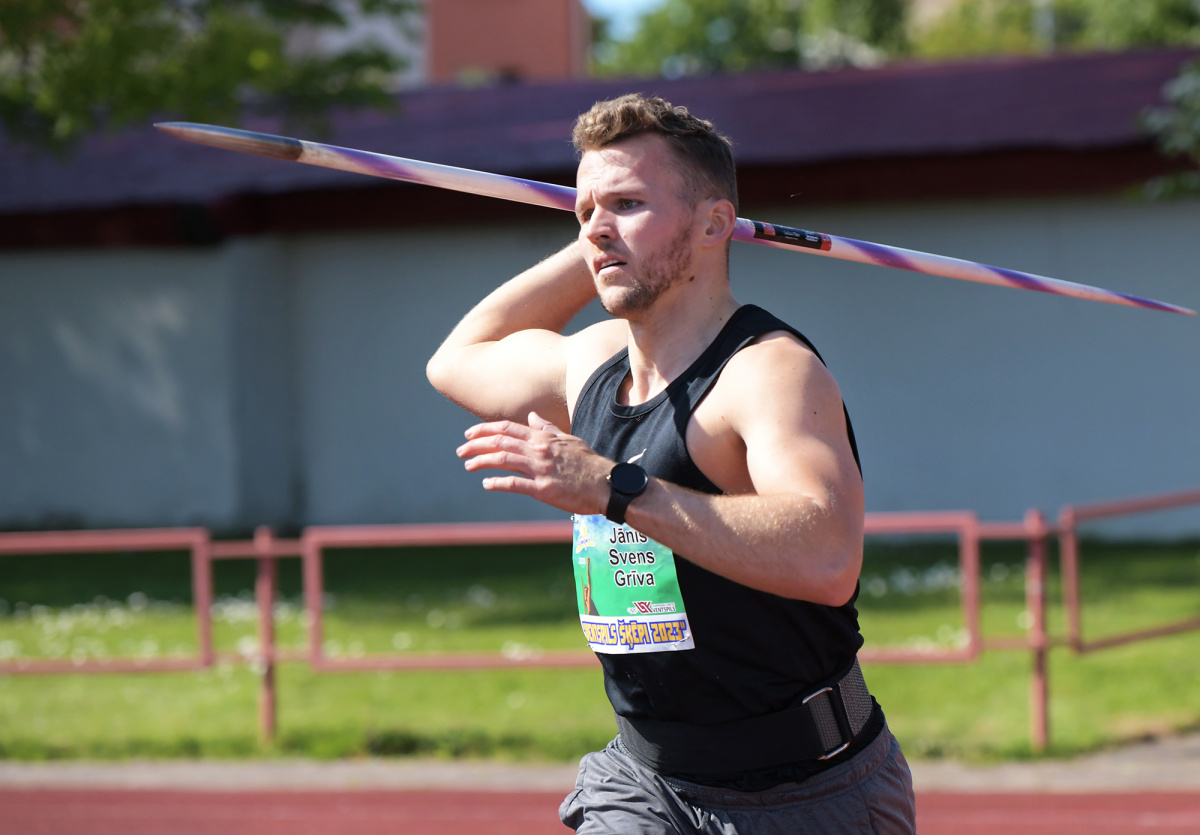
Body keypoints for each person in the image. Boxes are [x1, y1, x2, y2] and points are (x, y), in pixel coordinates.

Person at [426, 94, 916, 834]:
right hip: (645, 780)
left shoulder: (767, 373)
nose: (595, 228)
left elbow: (827, 557)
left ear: (715, 224)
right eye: (584, 210)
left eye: (628, 203)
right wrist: (604, 239)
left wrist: (614, 488)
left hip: (806, 789)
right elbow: (458, 359)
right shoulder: (591, 364)